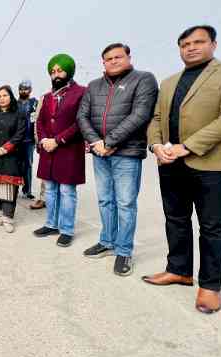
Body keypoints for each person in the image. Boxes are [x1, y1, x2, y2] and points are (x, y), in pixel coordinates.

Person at [142, 25, 221, 314]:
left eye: (198, 42)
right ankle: (178, 270)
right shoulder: (168, 82)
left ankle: (210, 286)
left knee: (211, 226)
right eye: (184, 44)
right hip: (169, 162)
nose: (190, 48)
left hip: (209, 163)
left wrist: (187, 146)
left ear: (213, 44)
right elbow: (155, 118)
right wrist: (156, 146)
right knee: (176, 219)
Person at [77, 43, 159, 276]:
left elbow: (141, 114)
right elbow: (82, 116)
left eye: (118, 57)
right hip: (99, 152)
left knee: (125, 203)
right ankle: (107, 241)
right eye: (108, 58)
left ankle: (123, 250)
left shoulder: (143, 80)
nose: (113, 61)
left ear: (128, 57)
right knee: (105, 200)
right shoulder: (94, 86)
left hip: (126, 153)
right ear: (103, 62)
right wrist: (97, 143)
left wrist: (110, 142)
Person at [33, 54, 87, 247]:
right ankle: (51, 224)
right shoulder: (47, 97)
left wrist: (58, 140)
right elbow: (40, 121)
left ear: (69, 71)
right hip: (48, 150)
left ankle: (66, 229)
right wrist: (45, 140)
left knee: (66, 190)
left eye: (60, 70)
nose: (56, 75)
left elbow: (80, 121)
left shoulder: (81, 92)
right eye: (53, 72)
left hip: (69, 149)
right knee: (50, 190)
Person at [0, 85, 26, 233]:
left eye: (5, 95)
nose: (1, 99)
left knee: (9, 187)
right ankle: (0, 213)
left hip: (11, 156)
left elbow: (19, 135)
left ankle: (8, 217)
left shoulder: (18, 114)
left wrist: (3, 149)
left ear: (11, 97)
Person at [17, 79, 39, 200]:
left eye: (26, 89)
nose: (23, 91)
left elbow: (38, 119)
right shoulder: (15, 104)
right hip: (17, 140)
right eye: (21, 89)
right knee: (18, 165)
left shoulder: (34, 103)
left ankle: (28, 190)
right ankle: (19, 186)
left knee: (28, 165)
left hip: (29, 140)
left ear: (30, 90)